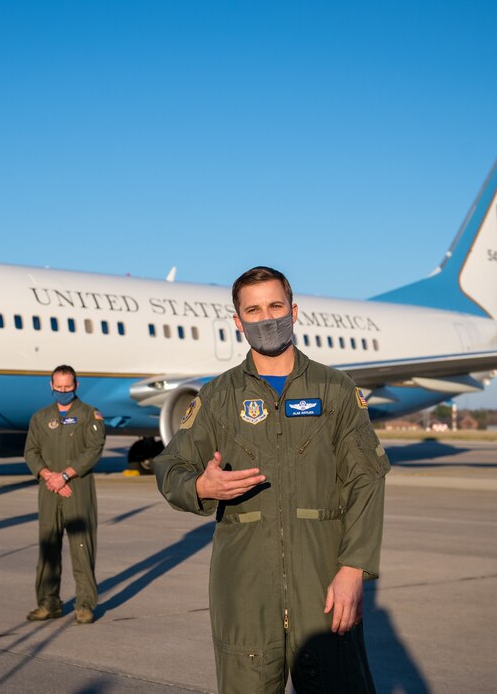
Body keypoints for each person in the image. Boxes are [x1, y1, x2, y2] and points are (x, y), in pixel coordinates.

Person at [154, 266, 391, 693]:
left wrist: (354, 569)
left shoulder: (334, 390)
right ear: (238, 321)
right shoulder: (219, 397)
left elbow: (366, 481)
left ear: (294, 311)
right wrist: (199, 488)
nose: (267, 319)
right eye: (254, 310)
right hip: (244, 591)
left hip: (323, 585)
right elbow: (170, 467)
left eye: (275, 306)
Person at [24, 364, 106, 624]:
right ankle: (48, 602)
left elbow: (94, 449)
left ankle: (84, 604)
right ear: (51, 386)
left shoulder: (89, 415)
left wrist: (66, 475)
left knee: (82, 546)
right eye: (58, 387)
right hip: (49, 489)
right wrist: (48, 475)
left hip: (77, 488)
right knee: (48, 546)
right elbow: (31, 452)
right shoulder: (40, 417)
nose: (62, 391)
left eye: (67, 387)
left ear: (76, 386)